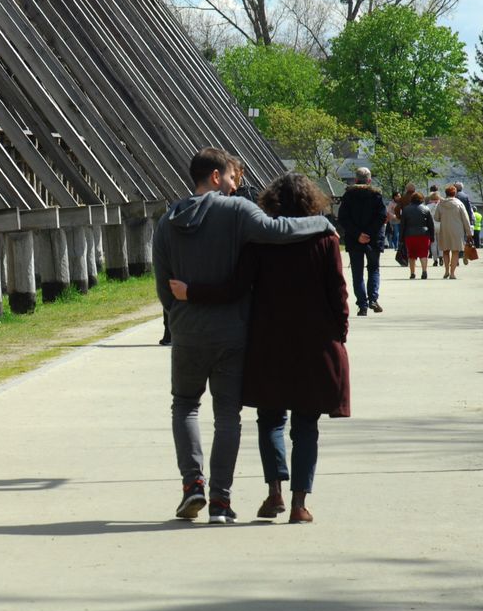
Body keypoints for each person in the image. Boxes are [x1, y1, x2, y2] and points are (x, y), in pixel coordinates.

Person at [153, 148, 334, 524]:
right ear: (216, 177)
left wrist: (180, 316)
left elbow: (163, 286)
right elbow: (280, 229)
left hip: (187, 330)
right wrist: (322, 223)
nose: (237, 186)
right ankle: (220, 500)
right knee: (227, 416)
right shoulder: (236, 212)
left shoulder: (168, 220)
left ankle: (193, 485)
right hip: (231, 332)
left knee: (185, 405)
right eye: (234, 178)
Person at [336, 167, 386, 316]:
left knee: (357, 273)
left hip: (354, 239)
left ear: (355, 180)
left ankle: (362, 305)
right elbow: (381, 217)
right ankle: (373, 299)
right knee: (373, 268)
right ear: (369, 180)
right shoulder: (376, 196)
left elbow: (343, 218)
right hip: (373, 239)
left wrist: (358, 234)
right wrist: (369, 233)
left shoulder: (348, 196)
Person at [433, 185, 473, 279]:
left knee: (446, 251)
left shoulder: (441, 204)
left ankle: (446, 271)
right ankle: (452, 273)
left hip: (444, 229)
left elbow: (436, 218)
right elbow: (465, 219)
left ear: (446, 193)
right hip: (457, 230)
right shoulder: (459, 204)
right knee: (455, 252)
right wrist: (469, 232)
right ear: (455, 193)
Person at [400, 191, 434, 279]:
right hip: (424, 235)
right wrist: (432, 237)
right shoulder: (426, 209)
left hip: (409, 235)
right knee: (423, 254)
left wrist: (401, 238)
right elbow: (431, 224)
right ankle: (424, 271)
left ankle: (412, 273)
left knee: (411, 254)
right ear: (421, 199)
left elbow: (402, 225)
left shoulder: (406, 209)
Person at [454, 182, 474, 264]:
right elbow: (469, 210)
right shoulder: (465, 196)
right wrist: (469, 220)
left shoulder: (453, 196)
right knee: (465, 238)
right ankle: (464, 255)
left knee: (455, 239)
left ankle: (456, 258)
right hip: (464, 220)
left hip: (454, 220)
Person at [426, 191, 441, 264]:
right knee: (441, 242)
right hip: (441, 225)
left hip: (431, 226)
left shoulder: (428, 206)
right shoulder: (441, 205)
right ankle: (441, 256)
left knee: (433, 243)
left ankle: (435, 260)